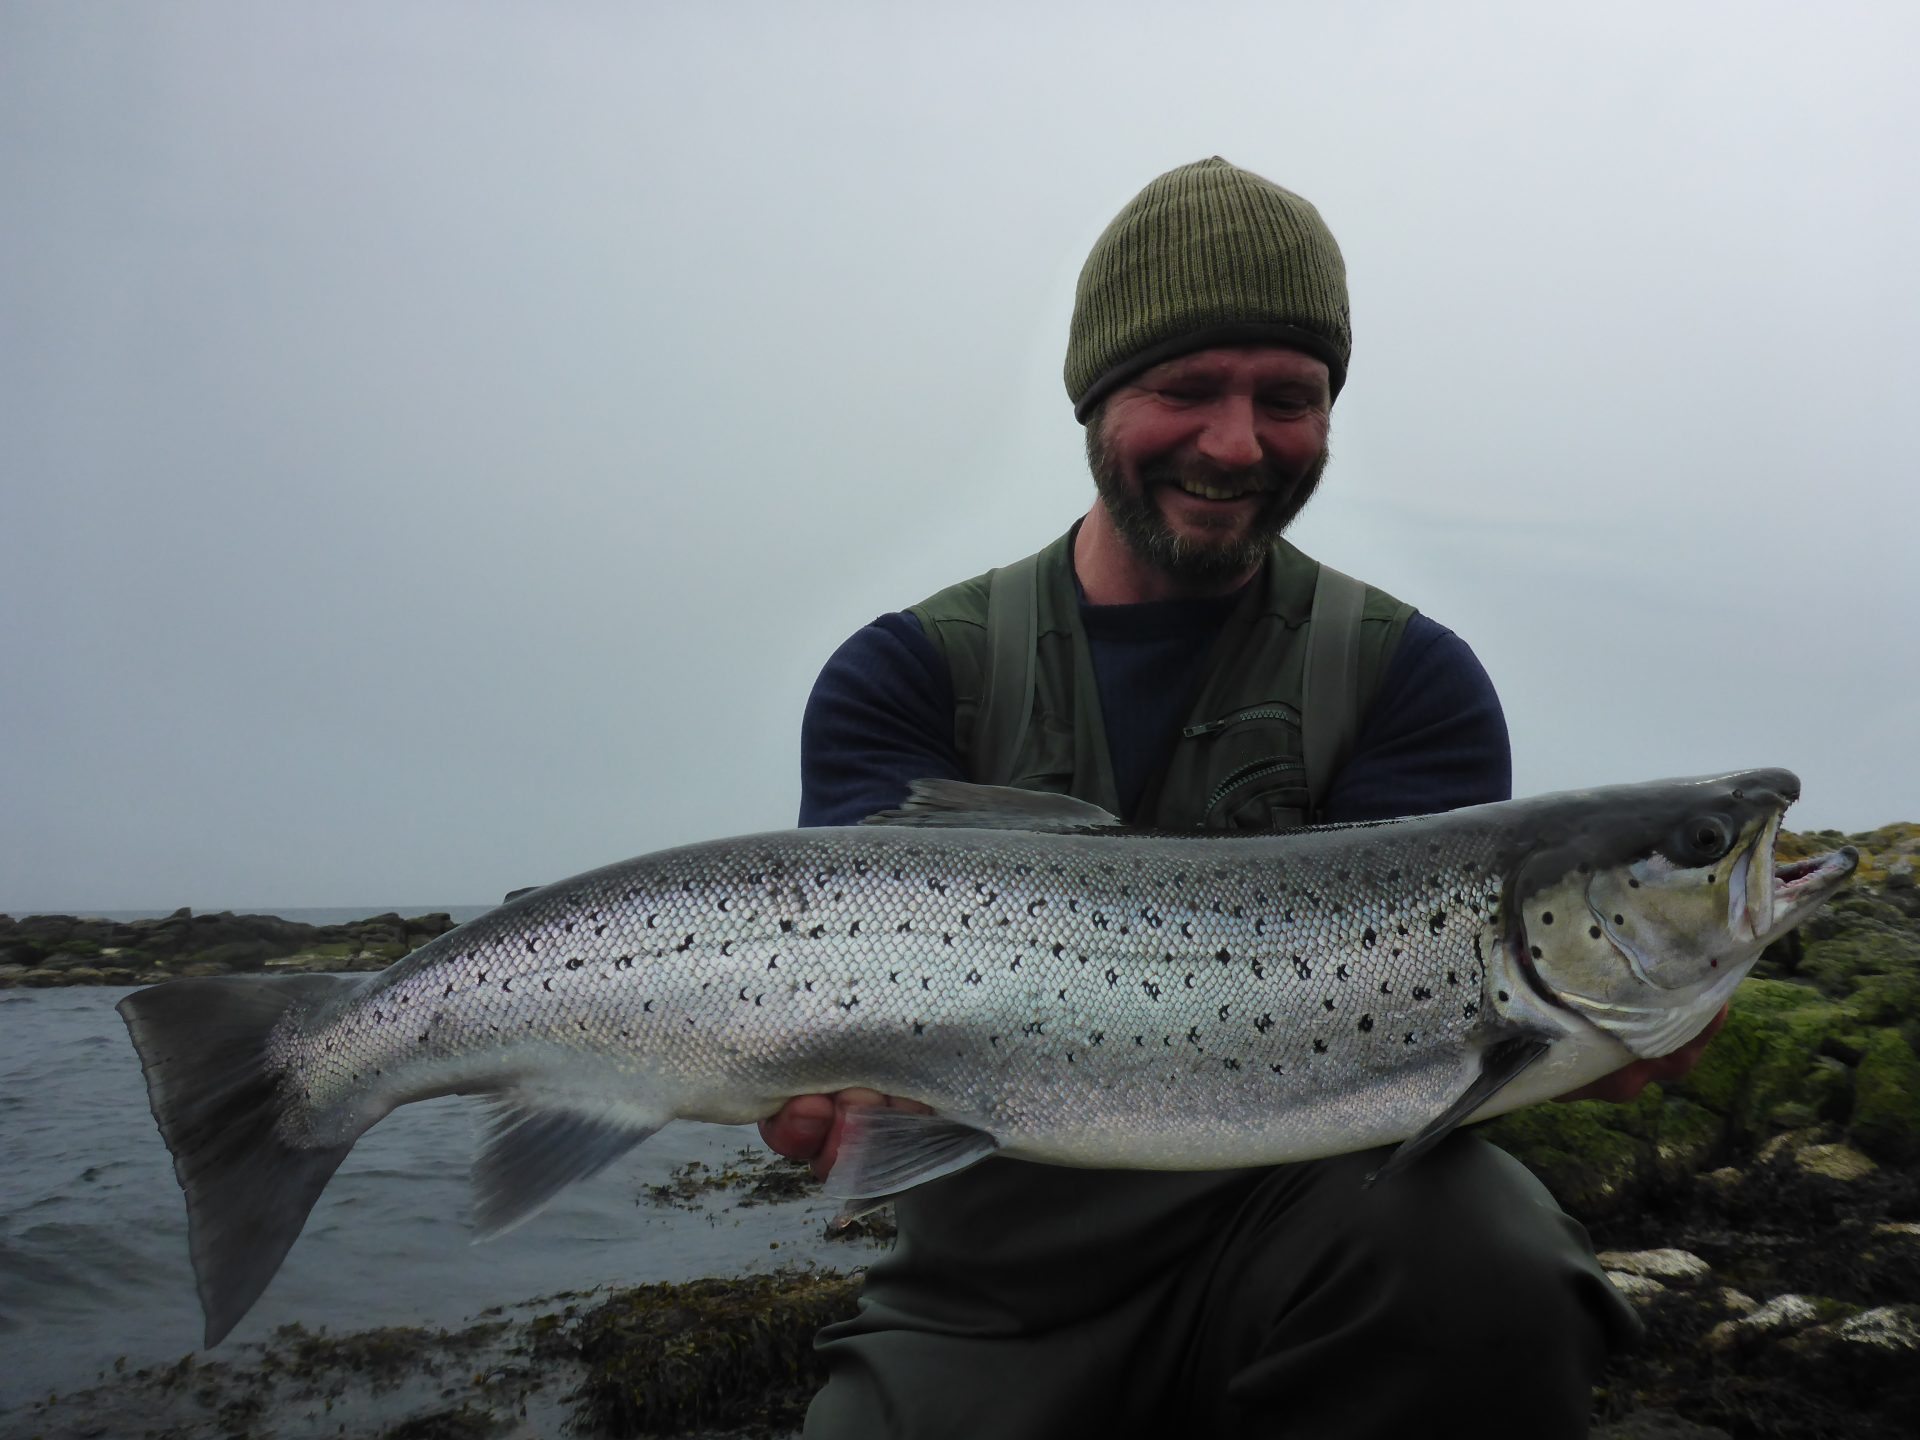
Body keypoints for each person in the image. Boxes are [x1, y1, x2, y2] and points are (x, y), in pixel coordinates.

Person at [760, 157, 1715, 1438]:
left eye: (1289, 398)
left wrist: (1576, 1041)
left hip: (1315, 1235)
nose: (1236, 442)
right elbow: (840, 1041)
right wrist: (822, 1085)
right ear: (1097, 400)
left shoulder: (1408, 681)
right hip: (989, 1291)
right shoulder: (908, 673)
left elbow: (1437, 1058)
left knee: (1491, 1256)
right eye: (1186, 389)